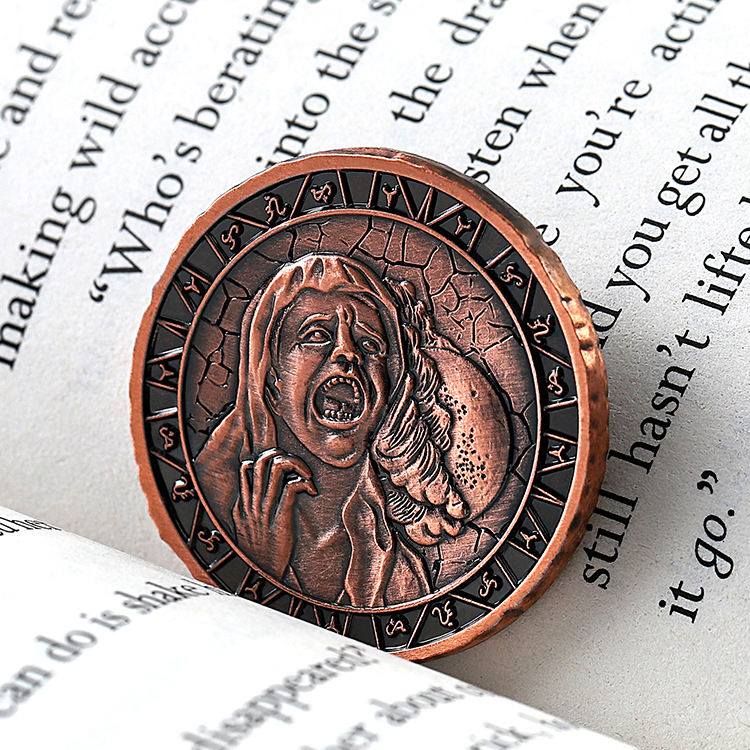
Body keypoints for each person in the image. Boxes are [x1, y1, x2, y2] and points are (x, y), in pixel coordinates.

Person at [195, 252, 505, 607]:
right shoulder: (209, 511)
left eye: (370, 344)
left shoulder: (400, 575)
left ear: (388, 394)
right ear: (271, 382)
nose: (348, 352)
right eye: (316, 335)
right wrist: (257, 560)